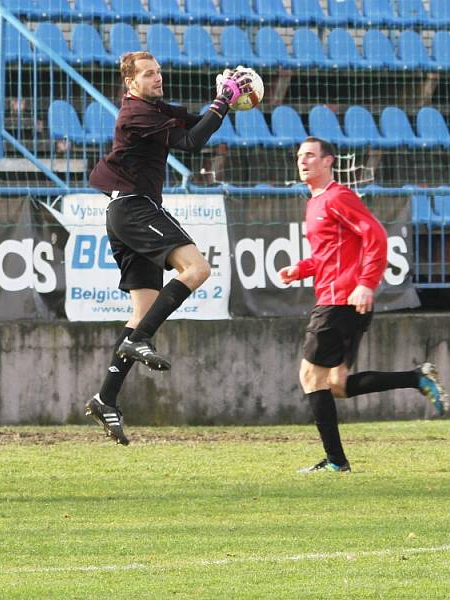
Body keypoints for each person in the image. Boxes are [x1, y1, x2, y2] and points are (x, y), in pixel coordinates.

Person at [84, 52, 257, 445]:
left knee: (142, 312)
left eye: (159, 72)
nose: (158, 78)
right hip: (134, 207)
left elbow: (197, 126)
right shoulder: (135, 114)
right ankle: (139, 341)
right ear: (130, 83)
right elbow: (192, 143)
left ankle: (105, 397)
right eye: (148, 74)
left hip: (124, 209)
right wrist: (223, 101)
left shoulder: (153, 108)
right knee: (196, 270)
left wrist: (223, 100)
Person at [279, 137, 449, 473]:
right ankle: (417, 378)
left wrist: (366, 284)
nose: (303, 161)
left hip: (339, 300)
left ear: (329, 161)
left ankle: (336, 462)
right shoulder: (314, 202)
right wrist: (300, 268)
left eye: (311, 155)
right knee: (337, 385)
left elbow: (376, 235)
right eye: (300, 156)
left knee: (310, 377)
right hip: (342, 299)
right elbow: (329, 254)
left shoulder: (337, 197)